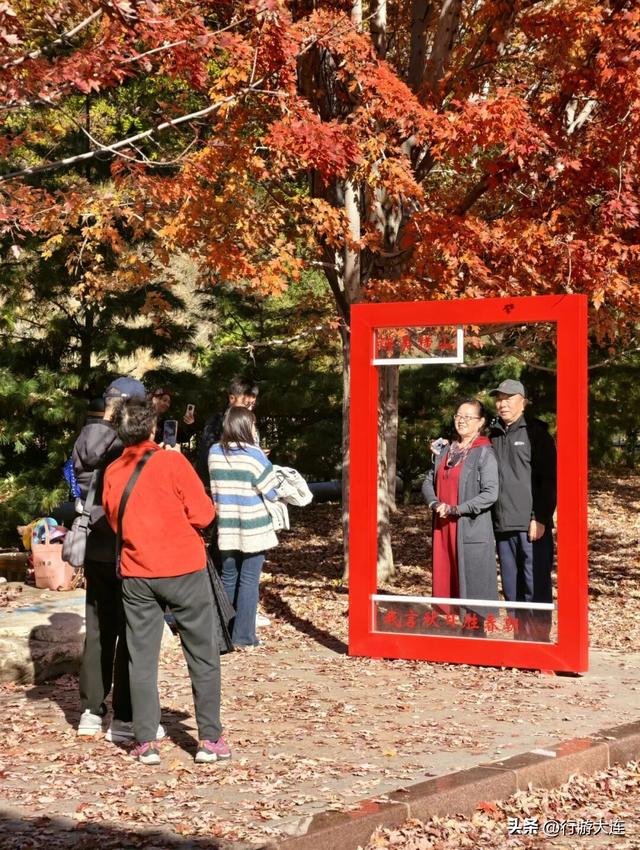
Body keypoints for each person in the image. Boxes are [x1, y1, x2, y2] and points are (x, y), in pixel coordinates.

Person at [102, 397, 228, 766]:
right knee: (202, 655)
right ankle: (209, 739)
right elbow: (204, 515)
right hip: (184, 569)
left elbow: (113, 521)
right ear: (153, 428)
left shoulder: (113, 471)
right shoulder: (173, 462)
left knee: (141, 658)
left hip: (138, 572)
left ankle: (145, 741)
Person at [72, 376, 149, 741]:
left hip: (94, 548)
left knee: (98, 629)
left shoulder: (84, 437)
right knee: (130, 629)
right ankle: (125, 717)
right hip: (124, 546)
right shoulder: (125, 446)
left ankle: (90, 709)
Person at [422, 399, 500, 635]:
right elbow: (428, 480)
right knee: (448, 577)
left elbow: (490, 493)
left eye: (469, 417)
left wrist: (457, 509)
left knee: (473, 580)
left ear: (481, 422)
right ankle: (450, 630)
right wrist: (435, 503)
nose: (462, 420)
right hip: (444, 526)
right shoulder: (445, 449)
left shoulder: (484, 452)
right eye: (458, 415)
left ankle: (474, 633)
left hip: (470, 527)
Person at [488, 379, 557, 642]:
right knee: (511, 586)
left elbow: (548, 479)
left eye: (509, 398)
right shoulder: (492, 435)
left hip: (531, 526)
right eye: (499, 398)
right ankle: (520, 640)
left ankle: (539, 641)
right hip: (502, 525)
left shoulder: (536, 433)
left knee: (535, 586)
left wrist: (539, 517)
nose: (502, 403)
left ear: (523, 402)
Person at [208, 406, 278, 649]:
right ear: (247, 427)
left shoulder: (214, 452)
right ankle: (244, 636)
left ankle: (224, 635)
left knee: (228, 577)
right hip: (254, 527)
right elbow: (271, 490)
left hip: (226, 526)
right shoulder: (254, 455)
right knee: (249, 580)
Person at [196, 377, 259, 489]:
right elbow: (206, 455)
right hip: (217, 487)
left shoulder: (250, 423)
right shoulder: (215, 423)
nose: (249, 409)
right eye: (246, 404)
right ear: (231, 398)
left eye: (252, 405)